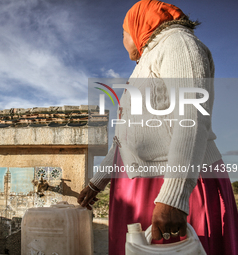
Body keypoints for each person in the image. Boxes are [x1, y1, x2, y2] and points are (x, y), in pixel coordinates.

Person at [77, 0, 238, 254]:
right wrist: (97, 182)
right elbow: (125, 138)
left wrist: (173, 196)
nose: (122, 41)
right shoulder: (143, 66)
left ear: (138, 25)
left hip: (175, 182)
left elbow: (192, 119)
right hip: (139, 185)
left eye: (122, 33)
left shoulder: (179, 44)